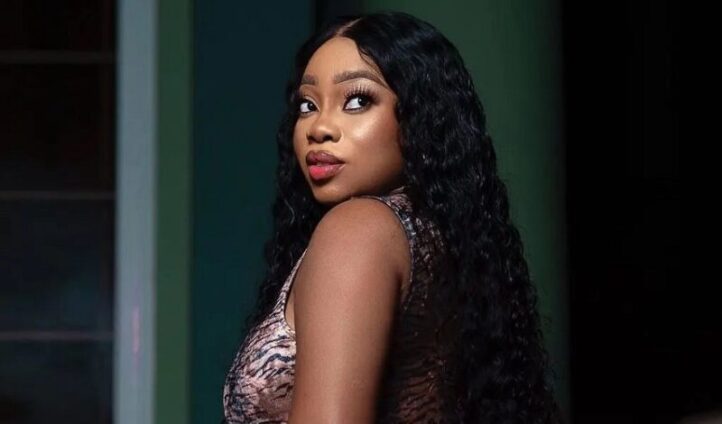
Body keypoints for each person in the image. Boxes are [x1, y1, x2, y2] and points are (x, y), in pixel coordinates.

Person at [222, 10, 563, 424]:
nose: (319, 128)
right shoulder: (440, 242)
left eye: (357, 100)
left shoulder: (357, 231)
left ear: (420, 116)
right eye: (308, 105)